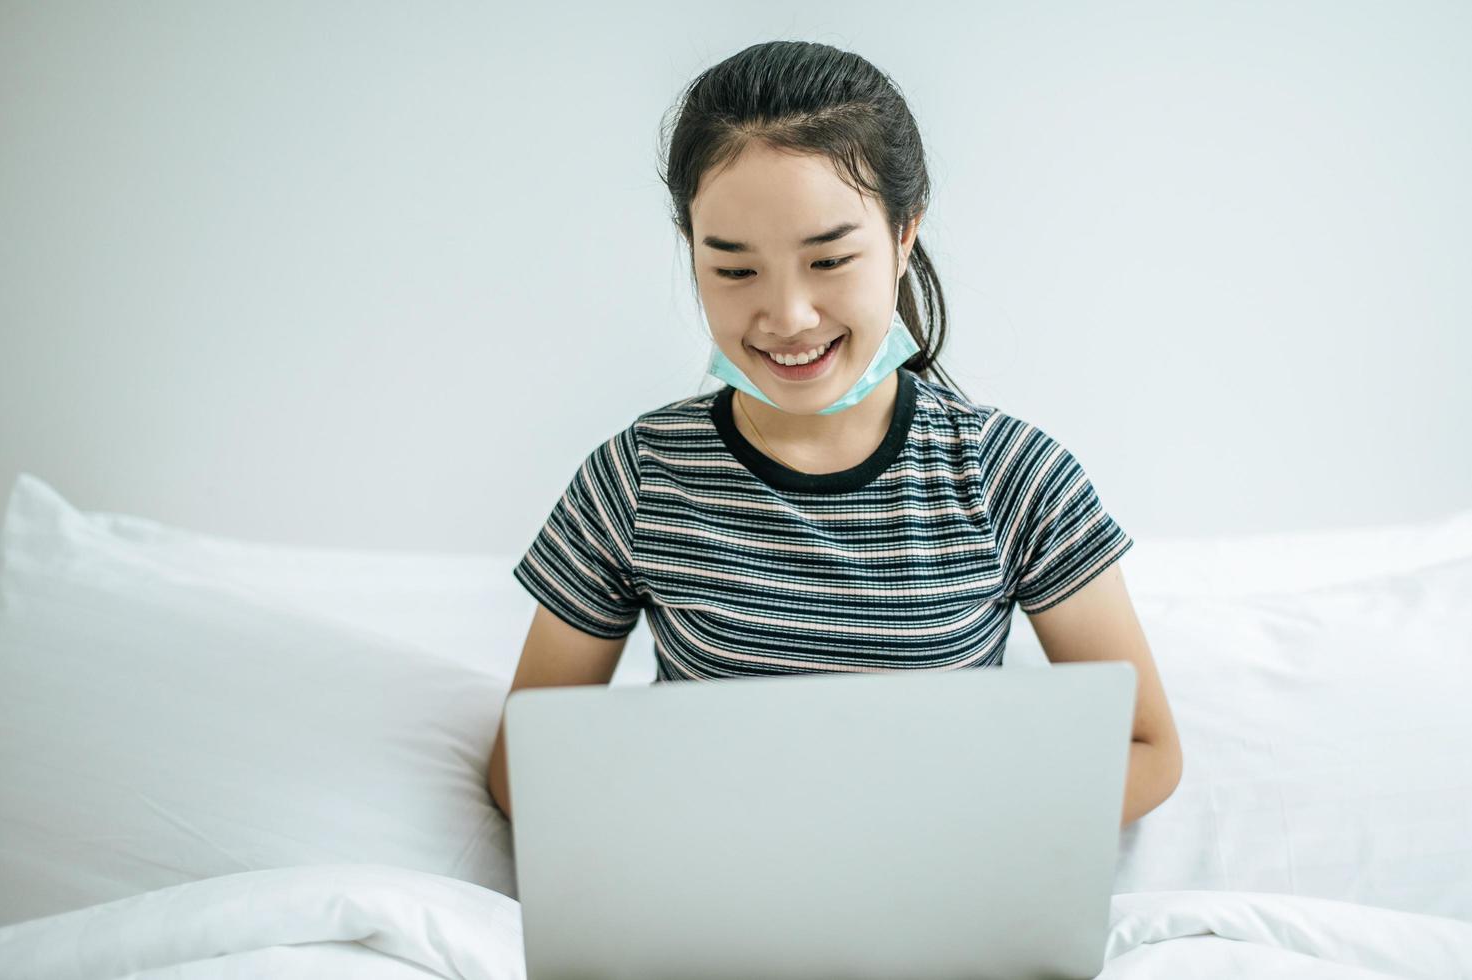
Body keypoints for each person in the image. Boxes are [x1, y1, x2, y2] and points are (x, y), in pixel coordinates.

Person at [489, 40, 1181, 827]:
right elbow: (523, 764)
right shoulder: (639, 478)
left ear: (902, 234)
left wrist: (969, 835)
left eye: (828, 260)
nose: (787, 317)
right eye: (735, 270)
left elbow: (1147, 748)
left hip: (942, 898)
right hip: (715, 903)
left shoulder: (1012, 476)